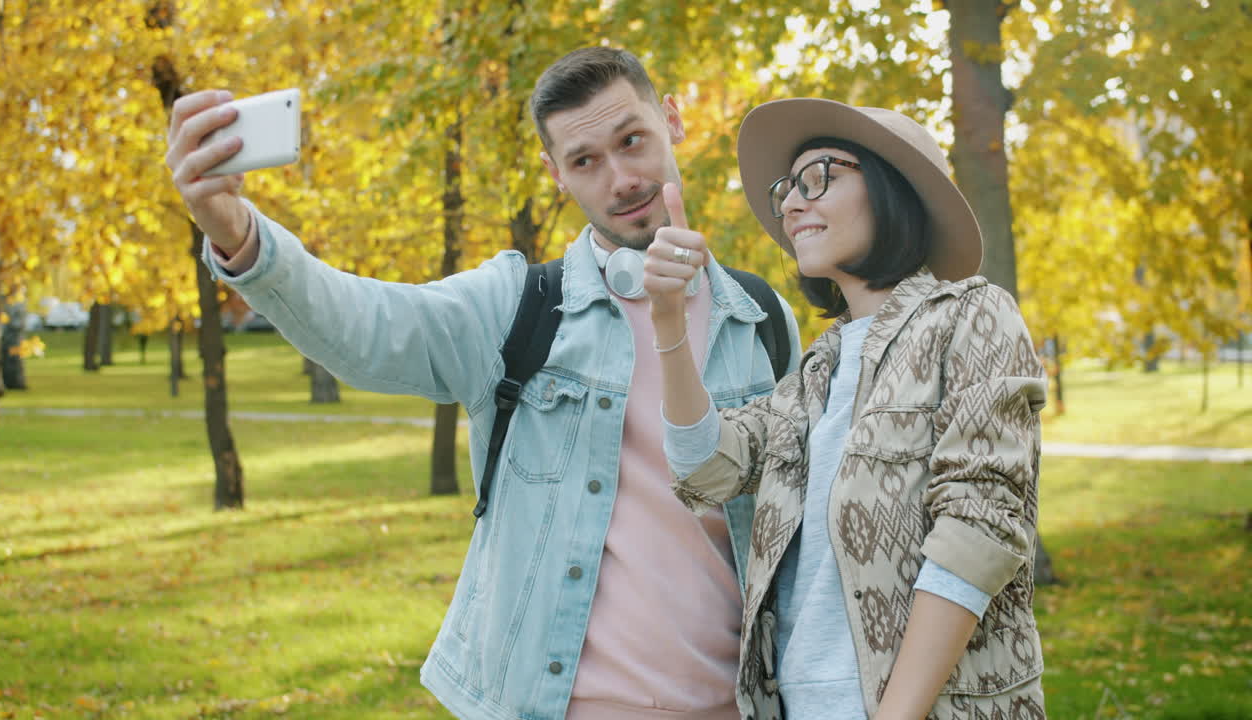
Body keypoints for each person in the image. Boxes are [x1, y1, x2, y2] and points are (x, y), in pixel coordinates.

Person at [164, 47, 800, 720]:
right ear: (556, 175)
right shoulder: (516, 307)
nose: (620, 179)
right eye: (585, 160)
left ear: (672, 120)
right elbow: (366, 327)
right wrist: (238, 235)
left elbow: (796, 546)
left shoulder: (764, 324)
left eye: (631, 141)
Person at [642, 98, 1047, 719]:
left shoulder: (972, 314)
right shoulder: (814, 373)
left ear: (892, 188)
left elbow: (980, 529)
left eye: (818, 178)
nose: (790, 203)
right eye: (788, 188)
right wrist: (668, 319)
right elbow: (706, 468)